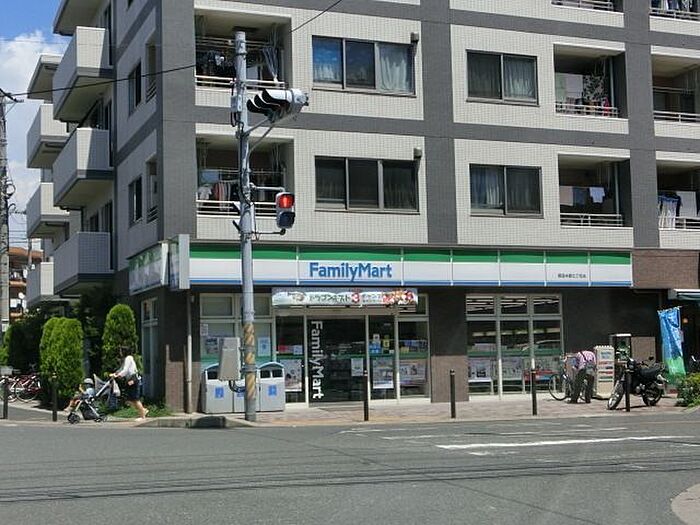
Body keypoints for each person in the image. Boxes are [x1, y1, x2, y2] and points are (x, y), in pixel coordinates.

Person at [110, 346, 148, 420]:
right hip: (130, 380)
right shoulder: (126, 359)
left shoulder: (128, 358)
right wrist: (116, 373)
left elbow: (125, 370)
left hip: (133, 380)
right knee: (130, 400)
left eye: (121, 351)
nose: (120, 353)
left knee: (135, 399)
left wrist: (118, 375)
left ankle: (142, 416)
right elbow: (121, 369)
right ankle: (143, 410)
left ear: (124, 351)